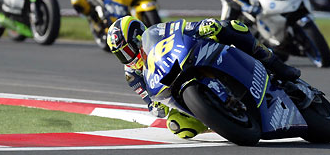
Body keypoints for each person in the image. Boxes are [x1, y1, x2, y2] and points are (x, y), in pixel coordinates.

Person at [106, 16, 301, 139]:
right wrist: (156, 106)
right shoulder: (132, 75)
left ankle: (276, 64)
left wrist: (203, 27)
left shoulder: (157, 31)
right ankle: (219, 118)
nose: (128, 57)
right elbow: (149, 102)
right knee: (178, 127)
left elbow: (185, 27)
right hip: (172, 87)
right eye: (121, 54)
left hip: (190, 56)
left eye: (128, 49)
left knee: (232, 27)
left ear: (139, 37)